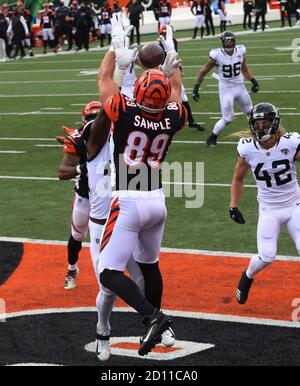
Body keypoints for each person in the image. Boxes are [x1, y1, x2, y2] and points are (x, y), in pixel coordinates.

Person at [87, 32, 186, 356]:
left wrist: (115, 54)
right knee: (150, 266)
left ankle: (153, 317)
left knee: (108, 271)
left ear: (138, 91)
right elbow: (177, 98)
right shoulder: (172, 116)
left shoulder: (125, 110)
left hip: (128, 199)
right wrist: (173, 65)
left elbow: (104, 80)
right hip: (156, 199)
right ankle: (155, 325)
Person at [229, 103, 300, 304]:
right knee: (267, 256)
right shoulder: (247, 148)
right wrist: (233, 205)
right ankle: (247, 276)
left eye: (265, 123)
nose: (260, 128)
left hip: (295, 205)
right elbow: (238, 178)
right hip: (269, 208)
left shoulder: (291, 143)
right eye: (257, 124)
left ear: (275, 123)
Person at [57, 102, 102, 290]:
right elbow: (62, 172)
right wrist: (82, 168)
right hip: (85, 195)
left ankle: (113, 274)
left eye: (96, 118)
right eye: (90, 118)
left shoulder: (117, 134)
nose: (93, 123)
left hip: (109, 195)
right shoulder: (77, 139)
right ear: (84, 120)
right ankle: (72, 269)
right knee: (77, 235)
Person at [192, 31, 260, 147]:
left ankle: (256, 134)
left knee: (250, 112)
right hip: (226, 89)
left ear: (234, 41)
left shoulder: (241, 51)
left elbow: (244, 69)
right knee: (228, 118)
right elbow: (203, 71)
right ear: (222, 42)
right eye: (226, 42)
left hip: (240, 87)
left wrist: (253, 81)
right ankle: (212, 138)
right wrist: (196, 88)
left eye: (231, 41)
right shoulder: (216, 55)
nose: (229, 44)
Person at [159, 24, 205, 131]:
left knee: (183, 97)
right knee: (165, 99)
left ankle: (191, 121)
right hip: (163, 73)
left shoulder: (172, 42)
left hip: (173, 72)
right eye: (163, 33)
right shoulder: (159, 45)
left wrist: (180, 70)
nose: (164, 35)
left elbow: (175, 58)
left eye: (165, 33)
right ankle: (162, 121)